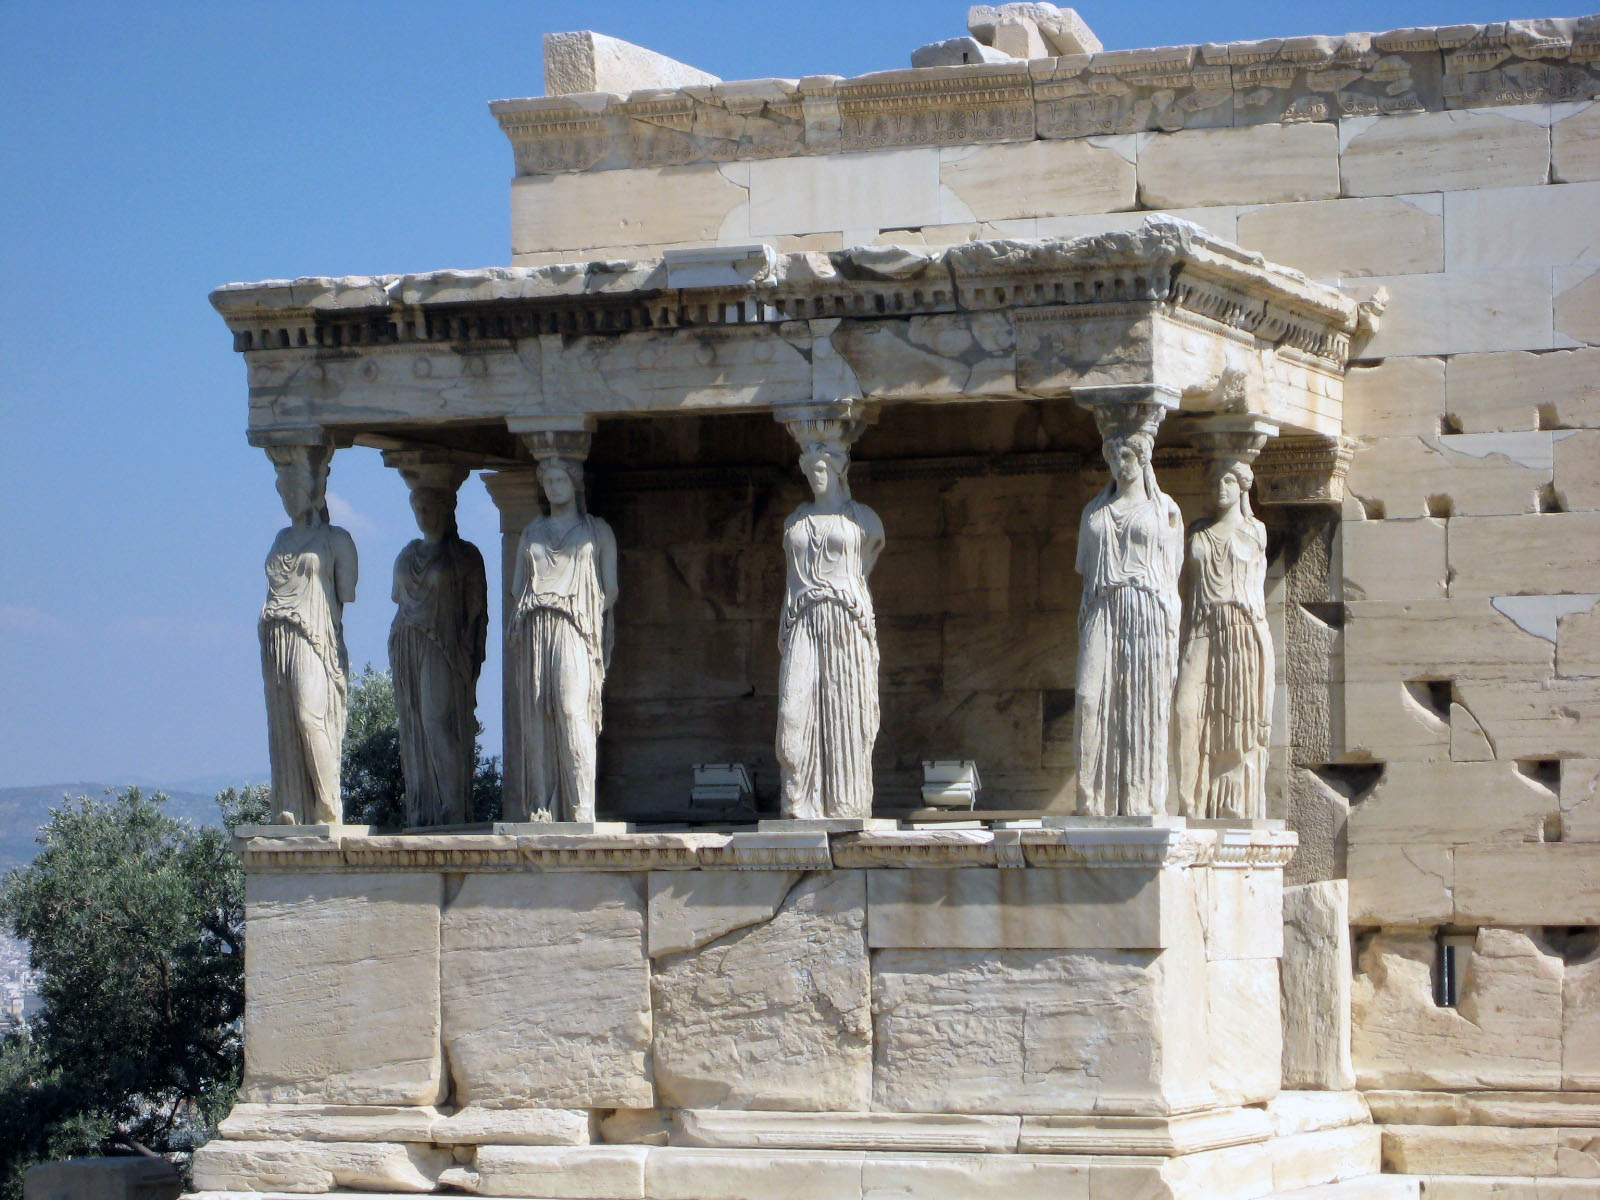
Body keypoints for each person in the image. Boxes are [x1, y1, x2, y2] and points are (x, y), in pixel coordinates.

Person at [1074, 429, 1184, 816]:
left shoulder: (1165, 510)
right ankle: (1091, 798)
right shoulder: (1094, 512)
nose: (1120, 466)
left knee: (1143, 701)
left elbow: (1171, 572)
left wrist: (1170, 624)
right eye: (1113, 458)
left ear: (1143, 459)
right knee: (1089, 697)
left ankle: (1141, 800)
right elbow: (1086, 572)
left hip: (1146, 607)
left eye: (1127, 457)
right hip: (1101, 606)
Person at [776, 441, 885, 820]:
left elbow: (865, 565)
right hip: (802, 618)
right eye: (809, 470)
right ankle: (798, 800)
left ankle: (844, 802)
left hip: (845, 618)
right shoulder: (795, 522)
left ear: (838, 472)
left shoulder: (865, 519)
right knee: (792, 711)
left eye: (821, 469)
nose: (815, 477)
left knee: (846, 708)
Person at [509, 456, 617, 822]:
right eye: (548, 482)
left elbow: (611, 589)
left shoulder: (597, 531)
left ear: (574, 483)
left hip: (576, 625)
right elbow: (517, 588)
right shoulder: (531, 532)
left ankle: (581, 806)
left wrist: (583, 609)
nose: (554, 488)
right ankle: (541, 807)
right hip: (535, 625)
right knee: (537, 717)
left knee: (572, 709)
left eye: (560, 480)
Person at [259, 445, 357, 825]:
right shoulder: (281, 539)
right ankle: (293, 805)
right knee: (284, 721)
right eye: (283, 492)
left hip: (314, 636)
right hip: (277, 636)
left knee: (308, 714)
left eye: (294, 490)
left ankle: (328, 805)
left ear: (313, 491)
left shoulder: (337, 540)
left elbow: (346, 592)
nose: (288, 499)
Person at [1173, 460, 1274, 819]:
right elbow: (1184, 587)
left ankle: (1230, 804)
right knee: (1185, 711)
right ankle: (1189, 802)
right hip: (1201, 627)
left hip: (1240, 628)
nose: (1221, 487)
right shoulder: (1197, 532)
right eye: (1215, 480)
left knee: (1237, 720)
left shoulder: (1255, 531)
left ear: (1243, 486)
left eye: (1229, 480)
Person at [389, 481, 487, 827]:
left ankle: (454, 805)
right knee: (416, 722)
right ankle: (426, 807)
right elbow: (398, 600)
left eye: (429, 508)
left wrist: (469, 655)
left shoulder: (465, 556)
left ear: (447, 510)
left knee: (437, 720)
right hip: (407, 642)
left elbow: (476, 613)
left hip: (444, 647)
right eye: (418, 508)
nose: (423, 515)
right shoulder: (407, 554)